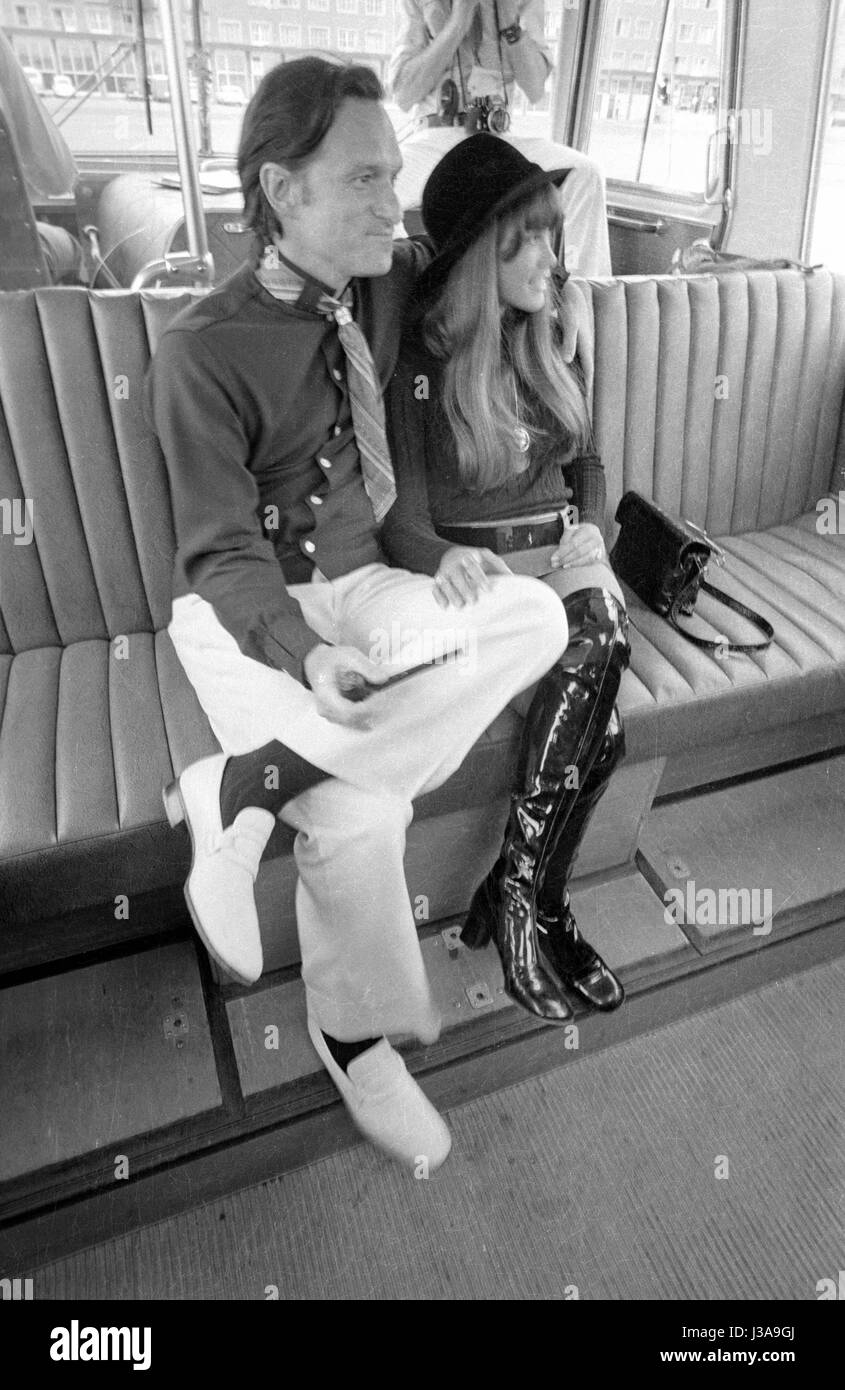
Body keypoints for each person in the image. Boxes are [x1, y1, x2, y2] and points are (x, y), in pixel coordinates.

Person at [145, 58, 572, 1172]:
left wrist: (435, 565)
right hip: (247, 609)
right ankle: (352, 1035)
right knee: (360, 818)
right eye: (367, 181)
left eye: (395, 178)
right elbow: (218, 549)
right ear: (281, 192)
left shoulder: (384, 279)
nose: (396, 204)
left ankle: (243, 790)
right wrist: (307, 652)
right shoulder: (199, 349)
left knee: (533, 619)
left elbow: (499, 224)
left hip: (368, 580)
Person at [383, 133, 630, 1020]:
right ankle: (537, 903)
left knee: (602, 627)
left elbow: (588, 468)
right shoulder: (422, 364)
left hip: (563, 562)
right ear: (477, 257)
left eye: (552, 236)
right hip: (488, 586)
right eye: (522, 241)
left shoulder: (554, 332)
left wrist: (593, 538)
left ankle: (519, 899)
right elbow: (402, 519)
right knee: (602, 740)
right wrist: (446, 558)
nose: (549, 260)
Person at [389, 0, 612, 277]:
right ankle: (402, 292)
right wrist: (458, 24)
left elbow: (534, 88)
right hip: (437, 136)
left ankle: (583, 300)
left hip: (498, 136)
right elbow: (404, 94)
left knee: (586, 173)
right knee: (382, 189)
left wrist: (509, 22)